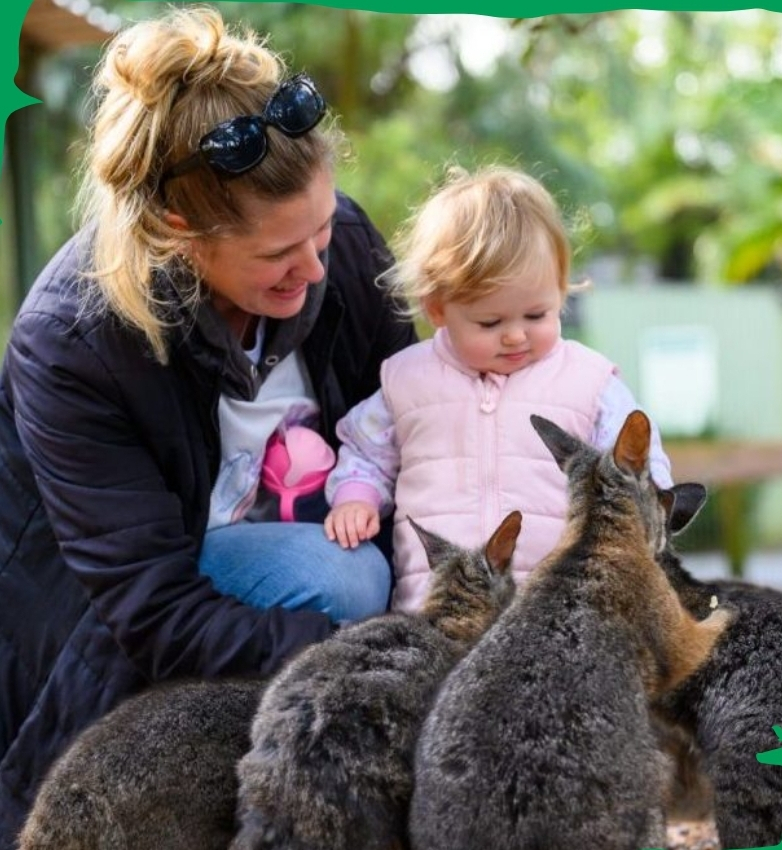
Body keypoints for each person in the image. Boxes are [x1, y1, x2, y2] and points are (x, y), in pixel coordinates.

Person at [0, 6, 416, 841]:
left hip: (277, 576)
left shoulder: (339, 246)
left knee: (373, 572)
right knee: (349, 582)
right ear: (180, 233)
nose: (315, 267)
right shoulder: (70, 339)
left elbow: (415, 439)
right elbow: (153, 607)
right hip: (107, 620)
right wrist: (363, 661)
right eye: (276, 257)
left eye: (325, 231)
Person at [324, 165, 673, 612]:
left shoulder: (588, 383)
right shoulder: (408, 381)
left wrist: (649, 514)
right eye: (490, 322)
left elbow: (639, 463)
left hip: (559, 611)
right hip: (440, 610)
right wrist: (356, 497)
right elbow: (366, 450)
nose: (515, 336)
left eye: (536, 315)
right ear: (438, 309)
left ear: (560, 290)